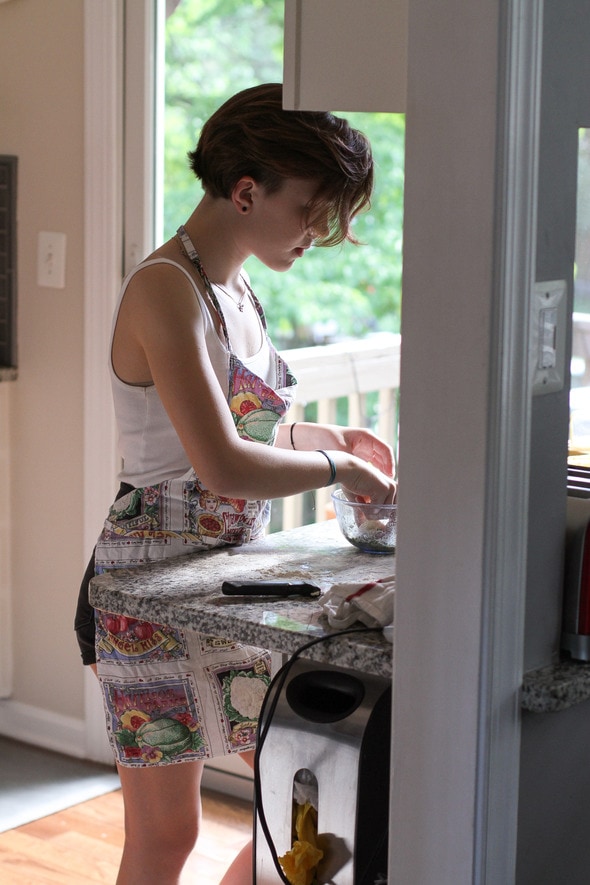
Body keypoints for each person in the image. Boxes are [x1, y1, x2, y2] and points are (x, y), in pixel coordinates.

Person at [74, 82, 396, 885]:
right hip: (144, 587)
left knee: (286, 812)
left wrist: (324, 437)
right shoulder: (162, 288)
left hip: (222, 579)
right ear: (248, 191)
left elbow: (231, 430)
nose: (323, 233)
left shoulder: (237, 286)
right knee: (166, 836)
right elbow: (218, 463)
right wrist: (344, 467)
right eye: (314, 209)